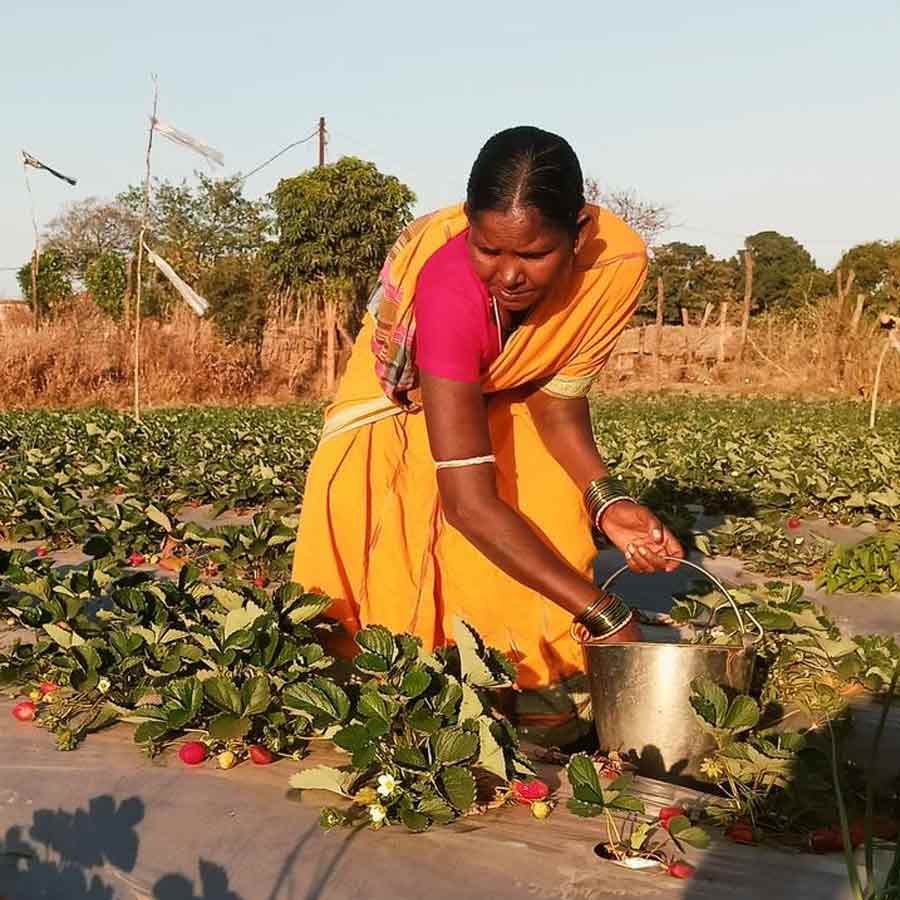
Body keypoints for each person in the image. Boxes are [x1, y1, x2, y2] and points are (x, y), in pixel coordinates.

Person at [292, 126, 683, 743]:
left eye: (533, 255)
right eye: (489, 249)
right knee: (412, 565)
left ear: (579, 234)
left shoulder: (614, 265)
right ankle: (422, 708)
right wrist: (605, 611)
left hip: (507, 397)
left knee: (550, 509)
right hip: (404, 410)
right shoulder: (450, 291)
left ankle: (538, 694)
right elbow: (470, 504)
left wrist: (607, 502)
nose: (509, 276)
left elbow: (556, 399)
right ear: (469, 224)